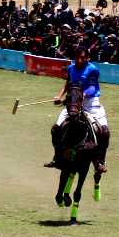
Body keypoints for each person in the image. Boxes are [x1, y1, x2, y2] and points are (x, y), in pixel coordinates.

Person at [45, 46, 108, 174]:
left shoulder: (93, 69)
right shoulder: (70, 68)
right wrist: (59, 96)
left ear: (88, 58)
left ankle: (99, 162)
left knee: (104, 131)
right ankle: (57, 158)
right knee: (56, 129)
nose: (80, 60)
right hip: (73, 101)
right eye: (78, 58)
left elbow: (92, 87)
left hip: (90, 102)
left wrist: (83, 94)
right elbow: (68, 84)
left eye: (83, 58)